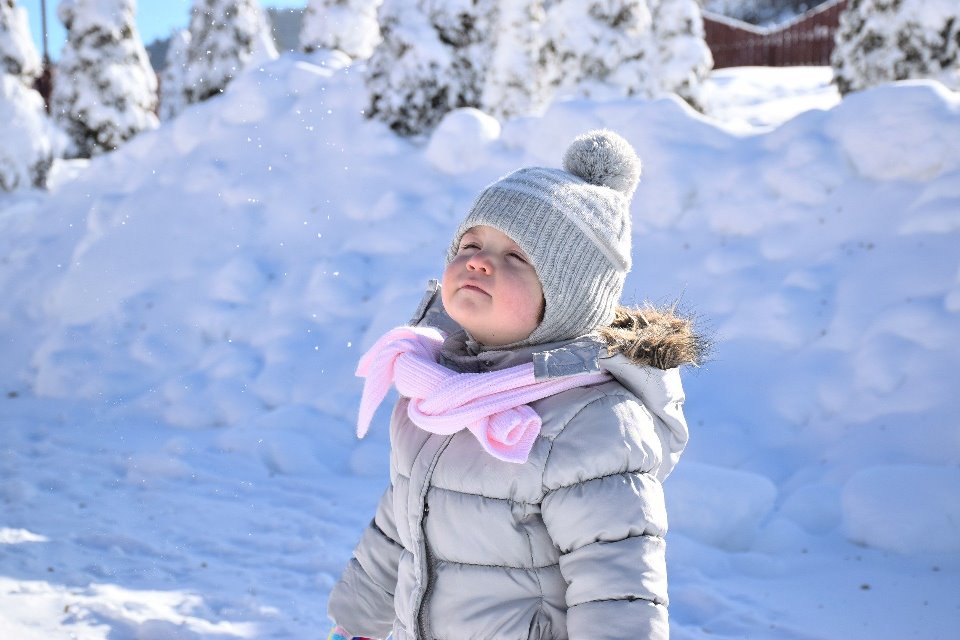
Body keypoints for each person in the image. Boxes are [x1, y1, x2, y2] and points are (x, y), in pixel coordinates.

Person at [327, 130, 703, 640]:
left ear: (567, 299)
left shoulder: (593, 421)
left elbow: (618, 586)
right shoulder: (437, 390)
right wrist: (357, 625)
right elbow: (399, 527)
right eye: (471, 244)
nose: (479, 261)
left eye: (517, 257)